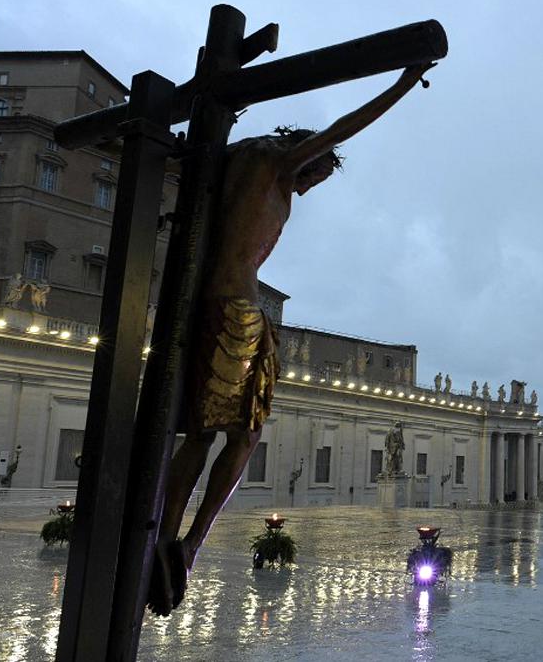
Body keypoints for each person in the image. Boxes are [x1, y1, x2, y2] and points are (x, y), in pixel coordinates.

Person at [148, 62, 435, 616]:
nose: (310, 187)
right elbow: (350, 125)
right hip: (236, 310)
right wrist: (404, 81)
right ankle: (188, 543)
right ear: (305, 153)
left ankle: (168, 528)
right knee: (241, 435)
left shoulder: (233, 159)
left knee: (205, 432)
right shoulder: (277, 164)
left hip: (214, 304)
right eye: (316, 174)